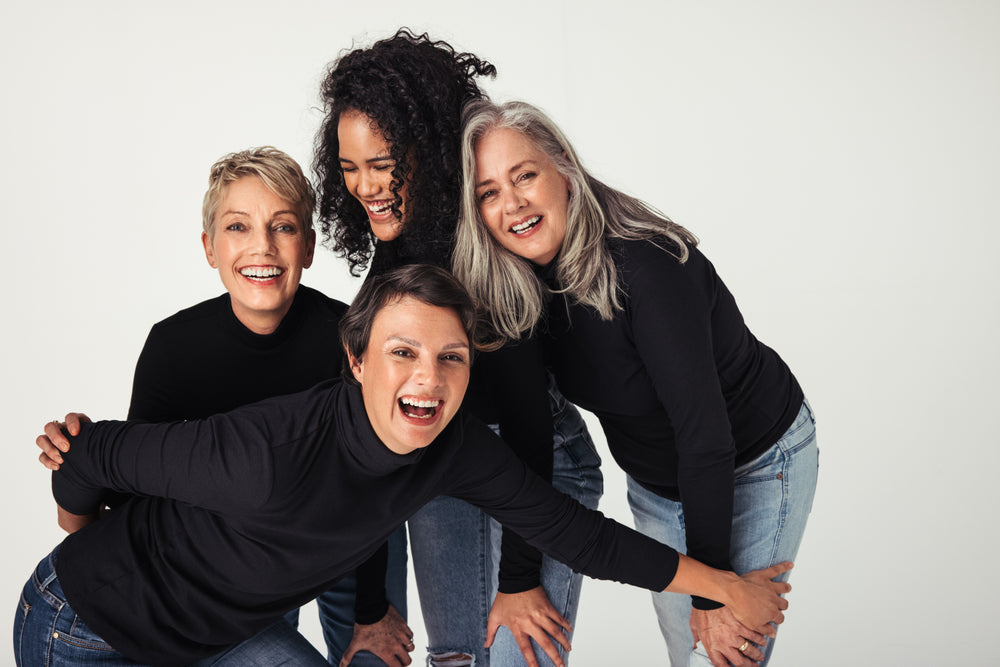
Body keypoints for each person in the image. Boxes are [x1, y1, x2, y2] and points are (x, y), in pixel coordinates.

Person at [14, 264, 794, 667]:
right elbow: (91, 451)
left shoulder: (452, 448)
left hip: (217, 638)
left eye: (450, 356)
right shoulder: (266, 455)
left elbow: (575, 533)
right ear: (356, 360)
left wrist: (725, 587)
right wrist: (83, 532)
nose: (428, 377)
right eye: (402, 352)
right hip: (84, 627)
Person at [453, 100, 819, 667]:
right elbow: (530, 437)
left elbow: (704, 436)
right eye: (489, 192)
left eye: (524, 175)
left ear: (564, 171)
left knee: (717, 654)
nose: (513, 203)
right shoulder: (513, 288)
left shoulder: (647, 266)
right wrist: (519, 580)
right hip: (656, 485)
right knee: (686, 652)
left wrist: (712, 593)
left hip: (754, 461)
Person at [34, 147, 410, 666]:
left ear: (308, 247)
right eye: (238, 227)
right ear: (210, 248)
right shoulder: (174, 348)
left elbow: (378, 491)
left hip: (344, 538)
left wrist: (372, 610)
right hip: (233, 564)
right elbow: (131, 498)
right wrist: (77, 454)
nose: (262, 246)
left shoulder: (349, 341)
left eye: (283, 227)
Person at [315, 30, 603, 667]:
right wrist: (371, 608)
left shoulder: (486, 252)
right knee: (455, 658)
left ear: (431, 148)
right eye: (349, 168)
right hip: (444, 453)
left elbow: (529, 425)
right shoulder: (394, 258)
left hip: (537, 464)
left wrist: (520, 579)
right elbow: (366, 439)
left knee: (514, 656)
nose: (365, 186)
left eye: (382, 164)